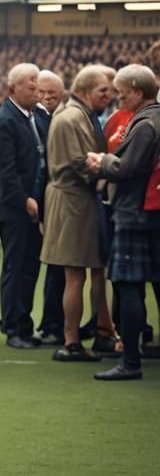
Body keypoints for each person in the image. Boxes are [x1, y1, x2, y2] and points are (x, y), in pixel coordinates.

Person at [86, 64, 160, 381]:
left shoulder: (145, 125)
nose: (118, 97)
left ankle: (131, 362)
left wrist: (102, 162)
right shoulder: (152, 118)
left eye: (122, 91)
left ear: (138, 91)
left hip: (136, 214)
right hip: (150, 212)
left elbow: (129, 169)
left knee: (128, 287)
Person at [40, 64, 111, 362]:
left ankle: (100, 330)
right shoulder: (71, 118)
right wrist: (108, 169)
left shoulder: (79, 115)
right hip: (73, 201)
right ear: (83, 91)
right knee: (75, 275)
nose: (109, 95)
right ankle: (71, 341)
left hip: (76, 200)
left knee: (89, 271)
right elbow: (81, 165)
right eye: (103, 90)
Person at [0, 63, 46, 348]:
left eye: (37, 86)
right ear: (14, 89)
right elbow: (5, 171)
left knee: (30, 266)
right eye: (31, 87)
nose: (37, 92)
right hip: (14, 206)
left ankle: (24, 323)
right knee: (15, 266)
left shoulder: (36, 117)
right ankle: (12, 327)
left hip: (33, 203)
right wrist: (25, 200)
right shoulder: (4, 121)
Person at [34, 70, 66, 345]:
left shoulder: (61, 119)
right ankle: (51, 322)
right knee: (55, 265)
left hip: (59, 201)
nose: (45, 98)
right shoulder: (38, 119)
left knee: (60, 265)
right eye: (41, 93)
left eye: (51, 94)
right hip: (47, 201)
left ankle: (54, 322)